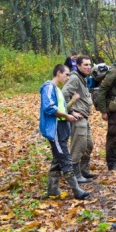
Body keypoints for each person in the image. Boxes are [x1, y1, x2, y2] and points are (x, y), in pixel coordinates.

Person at [39, 64, 89, 200]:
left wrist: (71, 109)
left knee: (57, 158)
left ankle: (53, 189)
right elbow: (49, 108)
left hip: (61, 128)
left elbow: (62, 108)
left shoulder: (56, 89)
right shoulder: (48, 87)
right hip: (55, 129)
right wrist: (67, 116)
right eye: (66, 74)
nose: (68, 77)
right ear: (59, 73)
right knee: (65, 158)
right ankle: (76, 190)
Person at [62, 55, 95, 184]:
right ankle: (74, 175)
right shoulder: (75, 78)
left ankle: (84, 170)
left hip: (84, 117)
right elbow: (64, 93)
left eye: (89, 64)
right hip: (78, 118)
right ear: (79, 66)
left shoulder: (83, 78)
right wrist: (71, 111)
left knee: (88, 145)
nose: (88, 67)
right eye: (85, 65)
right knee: (78, 146)